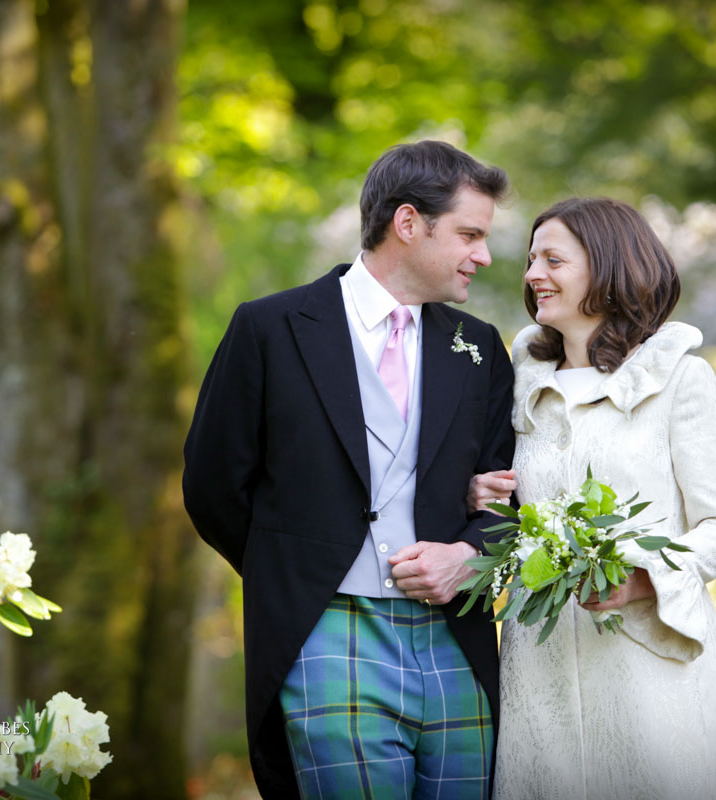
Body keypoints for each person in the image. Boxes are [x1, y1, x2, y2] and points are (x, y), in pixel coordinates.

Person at [183, 140, 515, 799]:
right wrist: (298, 568)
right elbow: (213, 485)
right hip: (327, 631)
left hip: (456, 637)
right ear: (409, 223)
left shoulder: (478, 348)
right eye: (470, 234)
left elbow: (508, 494)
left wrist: (465, 557)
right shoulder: (270, 329)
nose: (482, 255)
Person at [470, 197, 716, 799]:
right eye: (531, 260)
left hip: (650, 672)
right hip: (539, 673)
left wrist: (643, 575)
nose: (531, 275)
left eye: (553, 259)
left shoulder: (679, 377)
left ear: (609, 268)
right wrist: (480, 496)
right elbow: (507, 523)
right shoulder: (516, 382)